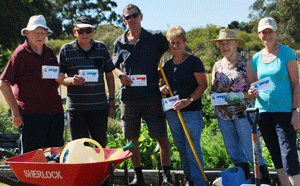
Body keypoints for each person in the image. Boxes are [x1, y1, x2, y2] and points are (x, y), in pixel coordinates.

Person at [113, 4, 172, 186]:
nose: (132, 19)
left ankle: (167, 177)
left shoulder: (155, 38)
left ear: (141, 16)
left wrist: (164, 77)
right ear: (124, 20)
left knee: (160, 136)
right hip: (129, 98)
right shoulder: (119, 42)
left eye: (135, 15)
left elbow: (174, 50)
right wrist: (121, 75)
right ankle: (138, 177)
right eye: (128, 17)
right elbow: (113, 66)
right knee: (132, 139)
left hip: (152, 96)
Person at [210, 29, 271, 184]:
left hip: (244, 114)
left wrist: (240, 95)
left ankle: (264, 180)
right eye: (221, 44)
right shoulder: (217, 66)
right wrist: (215, 98)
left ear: (235, 44)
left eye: (228, 43)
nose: (224, 47)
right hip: (224, 115)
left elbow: (255, 91)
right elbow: (213, 89)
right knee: (233, 151)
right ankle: (241, 180)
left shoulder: (246, 64)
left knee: (251, 149)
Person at [0, 15, 65, 154]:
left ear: (47, 34)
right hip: (31, 115)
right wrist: (15, 111)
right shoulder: (20, 54)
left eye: (43, 32)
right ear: (27, 34)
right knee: (32, 159)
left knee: (54, 158)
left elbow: (54, 81)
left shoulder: (50, 52)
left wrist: (60, 79)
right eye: (36, 32)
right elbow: (3, 83)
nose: (40, 36)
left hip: (55, 113)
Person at [248, 17, 300, 186]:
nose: (267, 35)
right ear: (258, 35)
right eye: (263, 32)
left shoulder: (286, 52)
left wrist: (295, 111)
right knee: (276, 156)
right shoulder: (256, 58)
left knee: (289, 154)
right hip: (263, 112)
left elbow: (296, 84)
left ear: (276, 32)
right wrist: (252, 91)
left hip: (285, 112)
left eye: (270, 31)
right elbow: (254, 86)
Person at [159, 25, 208, 186]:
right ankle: (190, 179)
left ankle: (200, 181)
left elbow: (202, 85)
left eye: (178, 42)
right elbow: (161, 85)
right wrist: (162, 89)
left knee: (192, 148)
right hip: (173, 113)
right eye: (172, 43)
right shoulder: (167, 65)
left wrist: (189, 100)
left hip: (191, 112)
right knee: (181, 147)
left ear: (184, 42)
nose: (175, 46)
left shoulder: (194, 61)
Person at [59, 16, 116, 149]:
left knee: (100, 146)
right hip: (76, 109)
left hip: (99, 108)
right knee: (78, 148)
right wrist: (71, 81)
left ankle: (102, 171)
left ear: (93, 31)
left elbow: (110, 75)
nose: (85, 34)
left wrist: (112, 101)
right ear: (74, 32)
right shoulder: (66, 50)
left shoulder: (101, 48)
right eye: (81, 31)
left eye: (88, 30)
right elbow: (60, 78)